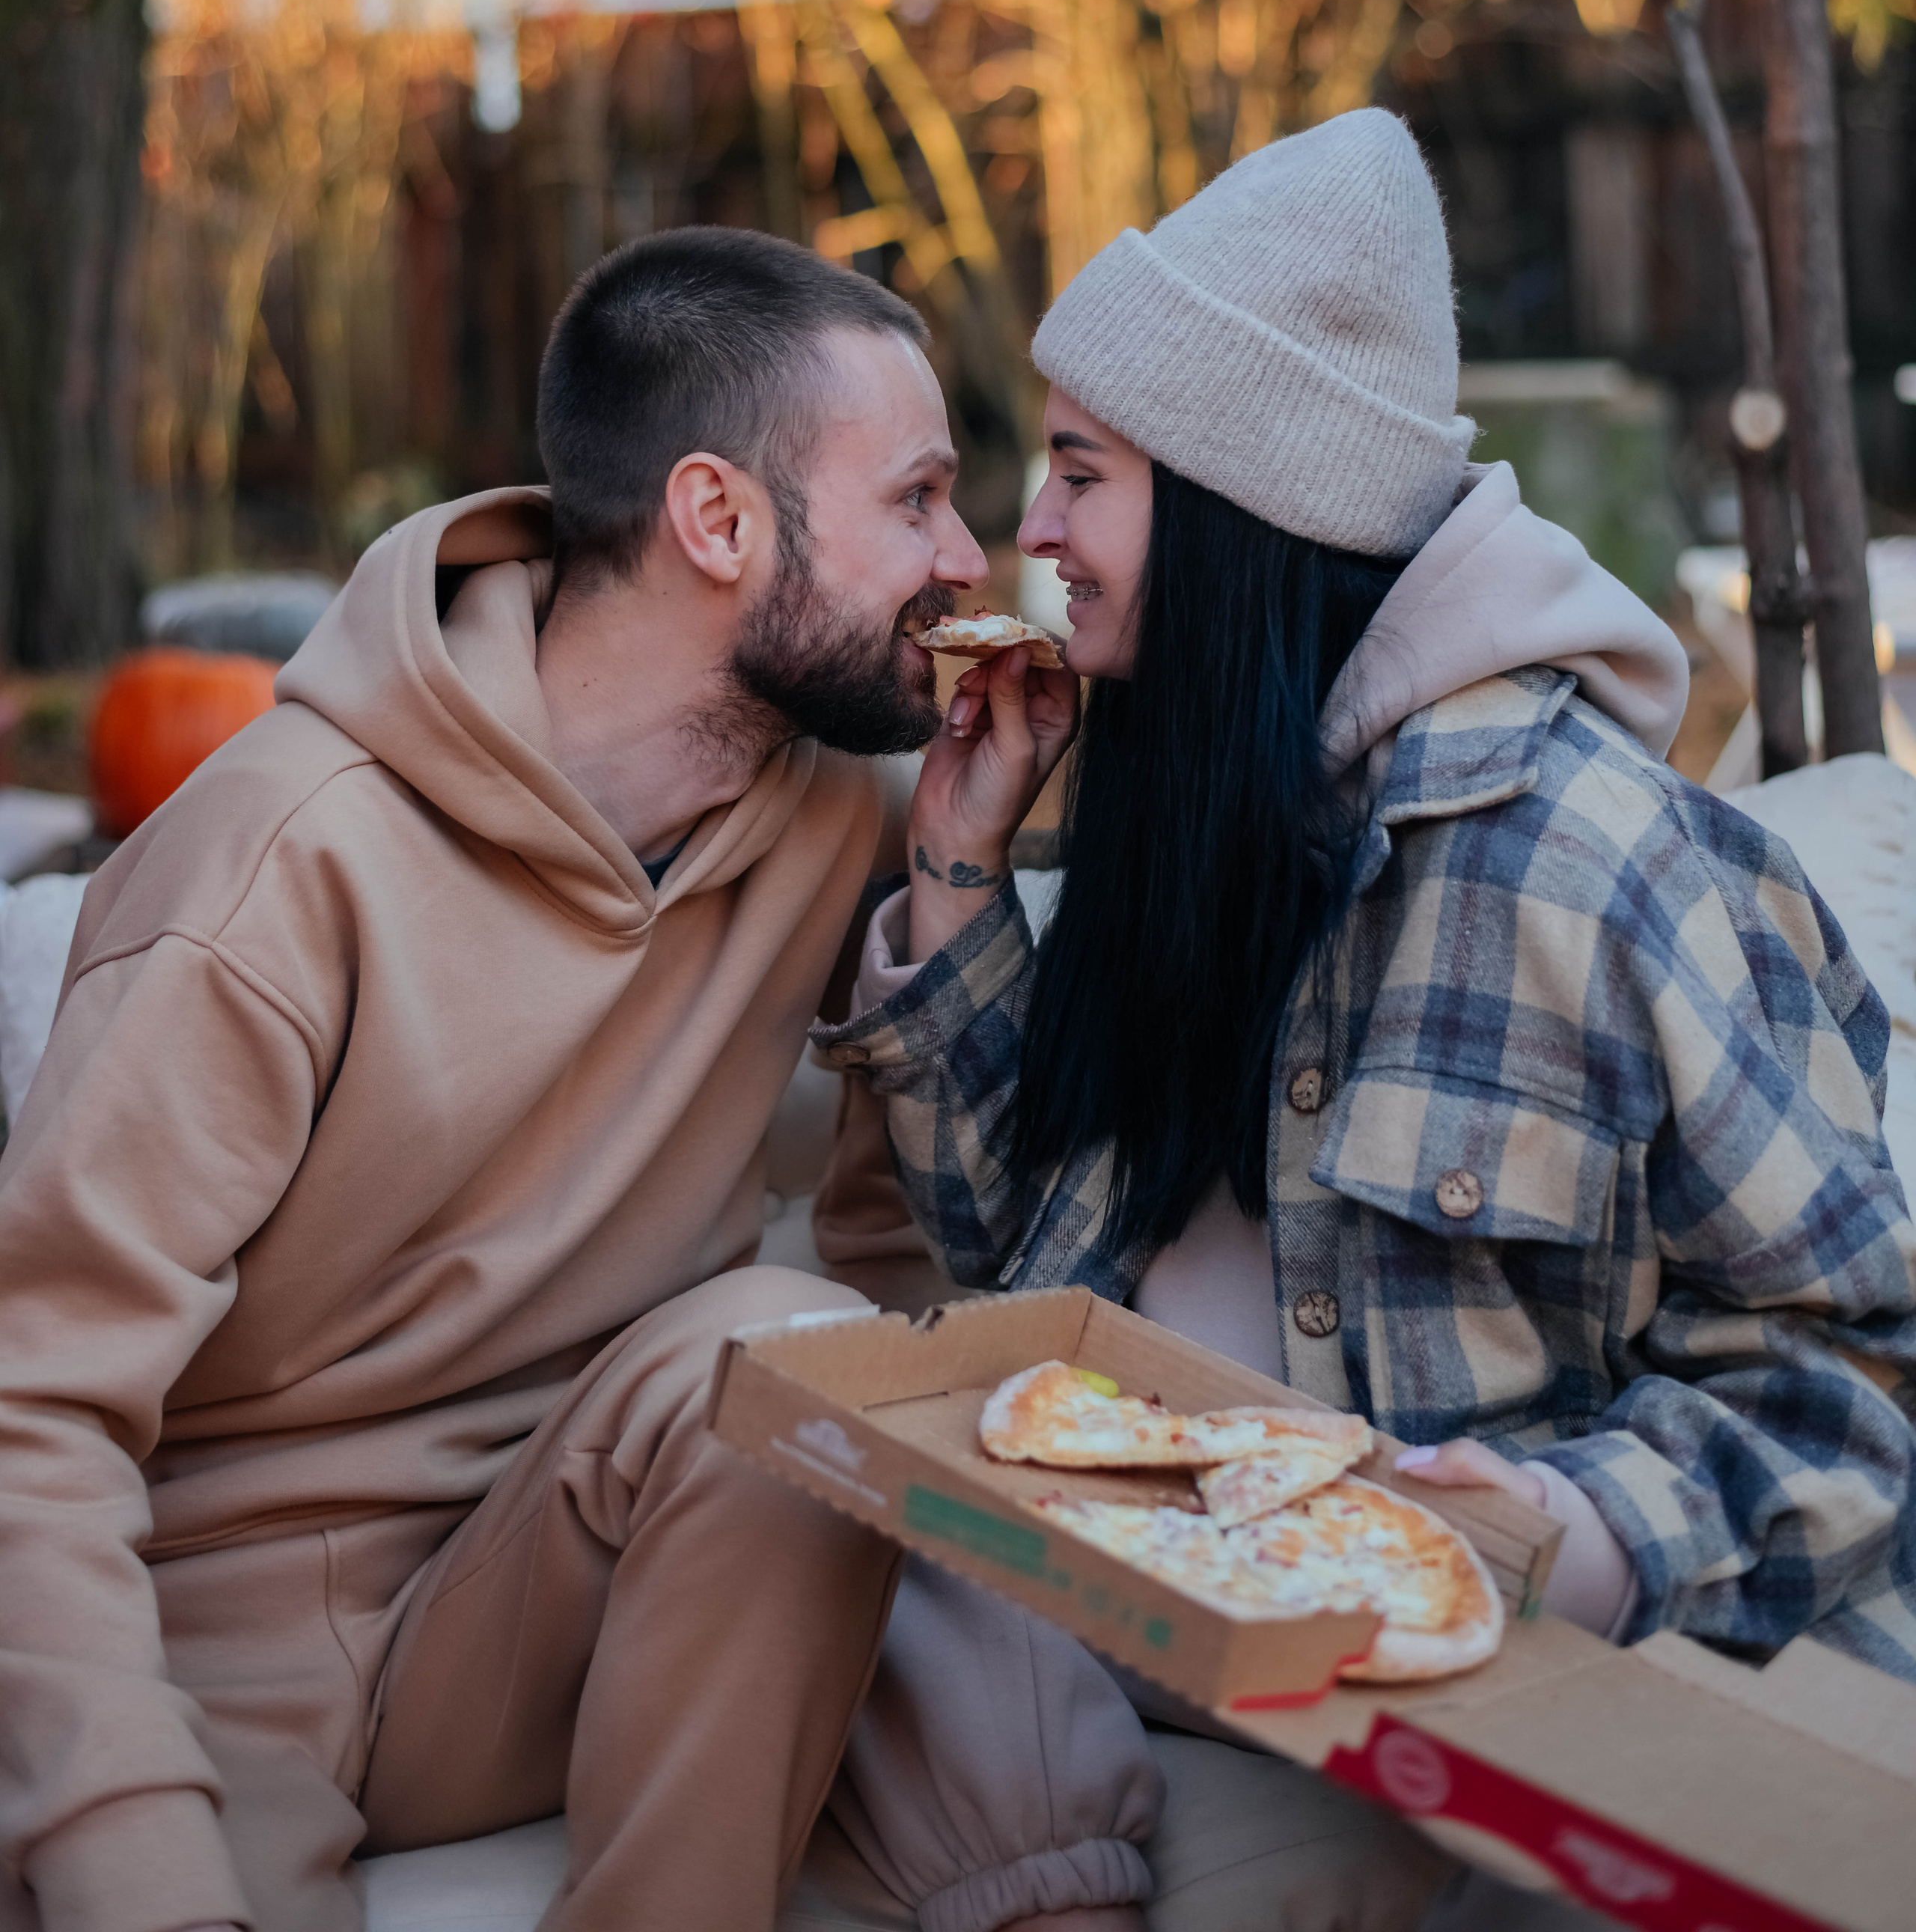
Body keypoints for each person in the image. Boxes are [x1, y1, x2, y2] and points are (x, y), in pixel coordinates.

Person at [817, 110, 1916, 1928]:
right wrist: (951, 876)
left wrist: (1561, 1533)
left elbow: (1854, 1394)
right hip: (1168, 1654)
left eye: (1082, 473)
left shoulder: (1604, 870)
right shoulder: (1183, 813)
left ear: (1250, 513)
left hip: (1523, 1718)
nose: (1029, 529)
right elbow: (1020, 1276)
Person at [0, 228, 1001, 1932]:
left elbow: (915, 1282)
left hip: (543, 1600)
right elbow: (30, 1410)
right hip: (216, 1638)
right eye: (916, 501)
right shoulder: (279, 864)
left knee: (789, 1364)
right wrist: (128, 1852)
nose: (967, 559)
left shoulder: (842, 820)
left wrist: (958, 886)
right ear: (716, 521)